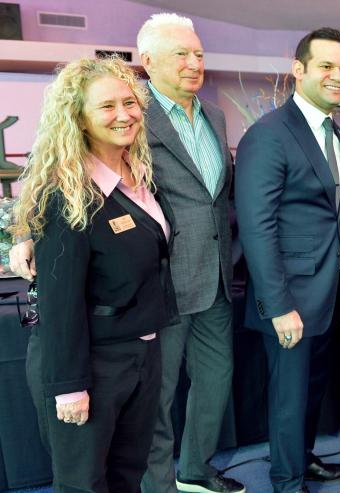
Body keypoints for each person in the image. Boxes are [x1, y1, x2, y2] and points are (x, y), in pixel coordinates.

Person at [8, 13, 244, 493]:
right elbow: (59, 290)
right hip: (117, 329)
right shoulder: (83, 171)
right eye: (181, 53)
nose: (125, 115)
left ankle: (192, 472)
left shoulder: (179, 147)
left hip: (182, 306)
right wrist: (25, 233)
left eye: (198, 52)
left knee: (139, 456)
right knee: (103, 462)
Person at [16, 57, 178, 493]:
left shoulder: (142, 175)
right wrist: (70, 387)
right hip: (89, 364)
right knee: (84, 484)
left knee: (128, 476)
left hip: (142, 353)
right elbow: (59, 301)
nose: (123, 114)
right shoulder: (65, 193)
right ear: (79, 118)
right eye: (107, 106)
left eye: (130, 102)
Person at [235, 28, 340, 493]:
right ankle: (286, 481)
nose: (337, 76)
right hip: (288, 298)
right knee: (288, 397)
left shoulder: (333, 131)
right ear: (299, 70)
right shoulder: (268, 134)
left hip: (326, 291)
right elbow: (256, 227)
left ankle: (303, 461)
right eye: (326, 66)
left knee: (311, 392)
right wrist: (279, 304)